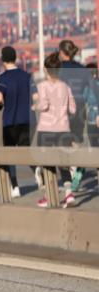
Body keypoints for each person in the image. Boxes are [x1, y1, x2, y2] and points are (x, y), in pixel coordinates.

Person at [35, 52, 76, 208]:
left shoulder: (42, 86)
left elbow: (44, 106)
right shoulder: (66, 87)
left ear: (46, 70)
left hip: (46, 129)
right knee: (63, 163)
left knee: (46, 164)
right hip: (64, 128)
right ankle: (69, 194)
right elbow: (72, 109)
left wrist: (36, 105)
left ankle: (47, 197)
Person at [0, 46, 33, 198]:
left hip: (9, 122)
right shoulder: (26, 76)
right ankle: (37, 170)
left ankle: (15, 187)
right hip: (26, 120)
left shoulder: (2, 79)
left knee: (10, 156)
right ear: (15, 58)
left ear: (3, 60)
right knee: (27, 151)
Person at [58, 40, 92, 191]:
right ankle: (77, 165)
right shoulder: (82, 69)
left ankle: (68, 178)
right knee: (75, 139)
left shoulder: (58, 69)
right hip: (80, 108)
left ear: (62, 53)